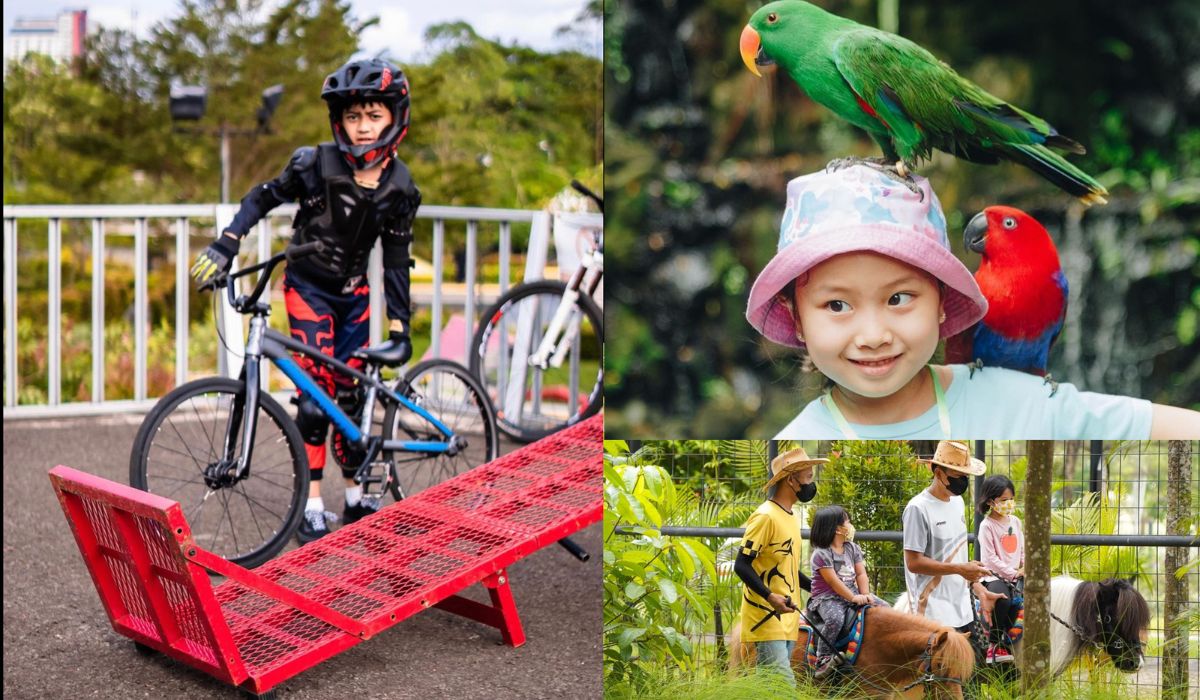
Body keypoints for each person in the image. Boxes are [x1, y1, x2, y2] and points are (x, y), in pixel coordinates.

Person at [743, 163, 1200, 439]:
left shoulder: (1025, 405)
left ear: (943, 303)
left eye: (899, 297)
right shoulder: (795, 444)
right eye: (837, 305)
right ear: (796, 319)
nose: (874, 336)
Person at [190, 58, 422, 542]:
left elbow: (397, 261)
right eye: (354, 116)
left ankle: (357, 497)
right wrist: (227, 242)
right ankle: (313, 502)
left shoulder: (401, 188)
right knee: (315, 399)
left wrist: (401, 328)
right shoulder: (313, 164)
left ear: (394, 118)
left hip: (354, 297)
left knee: (351, 395)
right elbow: (262, 197)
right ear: (340, 120)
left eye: (373, 116)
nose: (362, 127)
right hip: (307, 288)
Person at [734, 447, 826, 686]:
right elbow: (741, 565)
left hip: (788, 617)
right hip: (766, 616)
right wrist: (769, 596)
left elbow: (788, 569)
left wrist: (821, 587)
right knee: (784, 687)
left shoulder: (790, 516)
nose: (811, 485)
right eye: (808, 478)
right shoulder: (765, 516)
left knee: (770, 688)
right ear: (791, 479)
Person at [901, 440, 1005, 642]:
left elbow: (958, 557)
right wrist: (959, 568)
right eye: (959, 477)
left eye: (966, 477)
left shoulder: (957, 503)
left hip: (963, 610)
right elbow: (913, 563)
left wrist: (978, 588)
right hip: (931, 614)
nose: (963, 482)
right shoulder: (918, 509)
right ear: (939, 473)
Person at [806, 505, 889, 679]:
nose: (850, 525)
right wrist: (853, 597)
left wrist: (865, 595)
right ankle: (823, 659)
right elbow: (833, 582)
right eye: (847, 521)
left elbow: (860, 573)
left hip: (853, 592)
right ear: (837, 528)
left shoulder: (852, 548)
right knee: (835, 619)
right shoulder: (821, 554)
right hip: (828, 598)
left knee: (885, 607)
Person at [976, 474, 1025, 664]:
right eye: (1004, 500)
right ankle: (994, 645)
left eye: (1011, 499)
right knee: (1002, 600)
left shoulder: (1016, 522)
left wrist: (1025, 566)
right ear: (990, 501)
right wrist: (1013, 573)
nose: (1009, 503)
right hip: (993, 576)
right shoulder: (986, 526)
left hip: (1016, 574)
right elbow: (990, 559)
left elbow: (1022, 550)